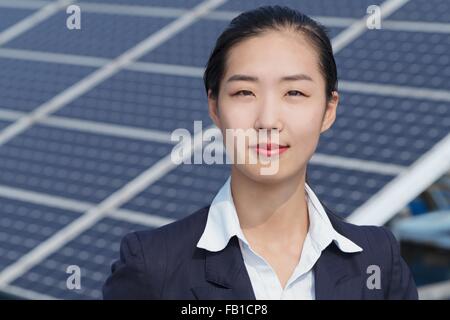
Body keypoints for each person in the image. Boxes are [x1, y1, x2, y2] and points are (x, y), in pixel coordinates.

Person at [103, 5, 418, 300]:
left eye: (294, 92)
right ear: (214, 107)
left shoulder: (377, 260)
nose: (268, 120)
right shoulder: (153, 266)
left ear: (328, 110)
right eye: (244, 92)